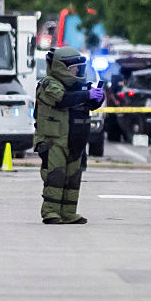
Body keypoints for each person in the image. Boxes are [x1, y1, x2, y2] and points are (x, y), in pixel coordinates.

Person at [33, 47, 105, 225]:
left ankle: (68, 212)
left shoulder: (79, 87)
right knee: (55, 176)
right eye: (74, 68)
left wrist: (97, 97)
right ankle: (50, 212)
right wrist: (86, 94)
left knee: (73, 178)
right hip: (54, 139)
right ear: (61, 67)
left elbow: (90, 105)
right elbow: (62, 99)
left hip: (75, 140)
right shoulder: (48, 84)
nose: (77, 71)